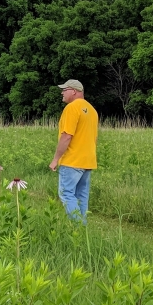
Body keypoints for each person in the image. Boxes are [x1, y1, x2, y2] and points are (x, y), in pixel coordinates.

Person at [48, 79, 99, 221]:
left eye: (65, 90)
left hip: (72, 160)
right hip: (88, 161)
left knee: (66, 194)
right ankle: (83, 230)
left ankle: (78, 226)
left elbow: (66, 136)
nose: (62, 93)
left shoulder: (72, 108)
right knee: (81, 196)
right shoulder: (92, 111)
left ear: (74, 91)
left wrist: (55, 159)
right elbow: (94, 138)